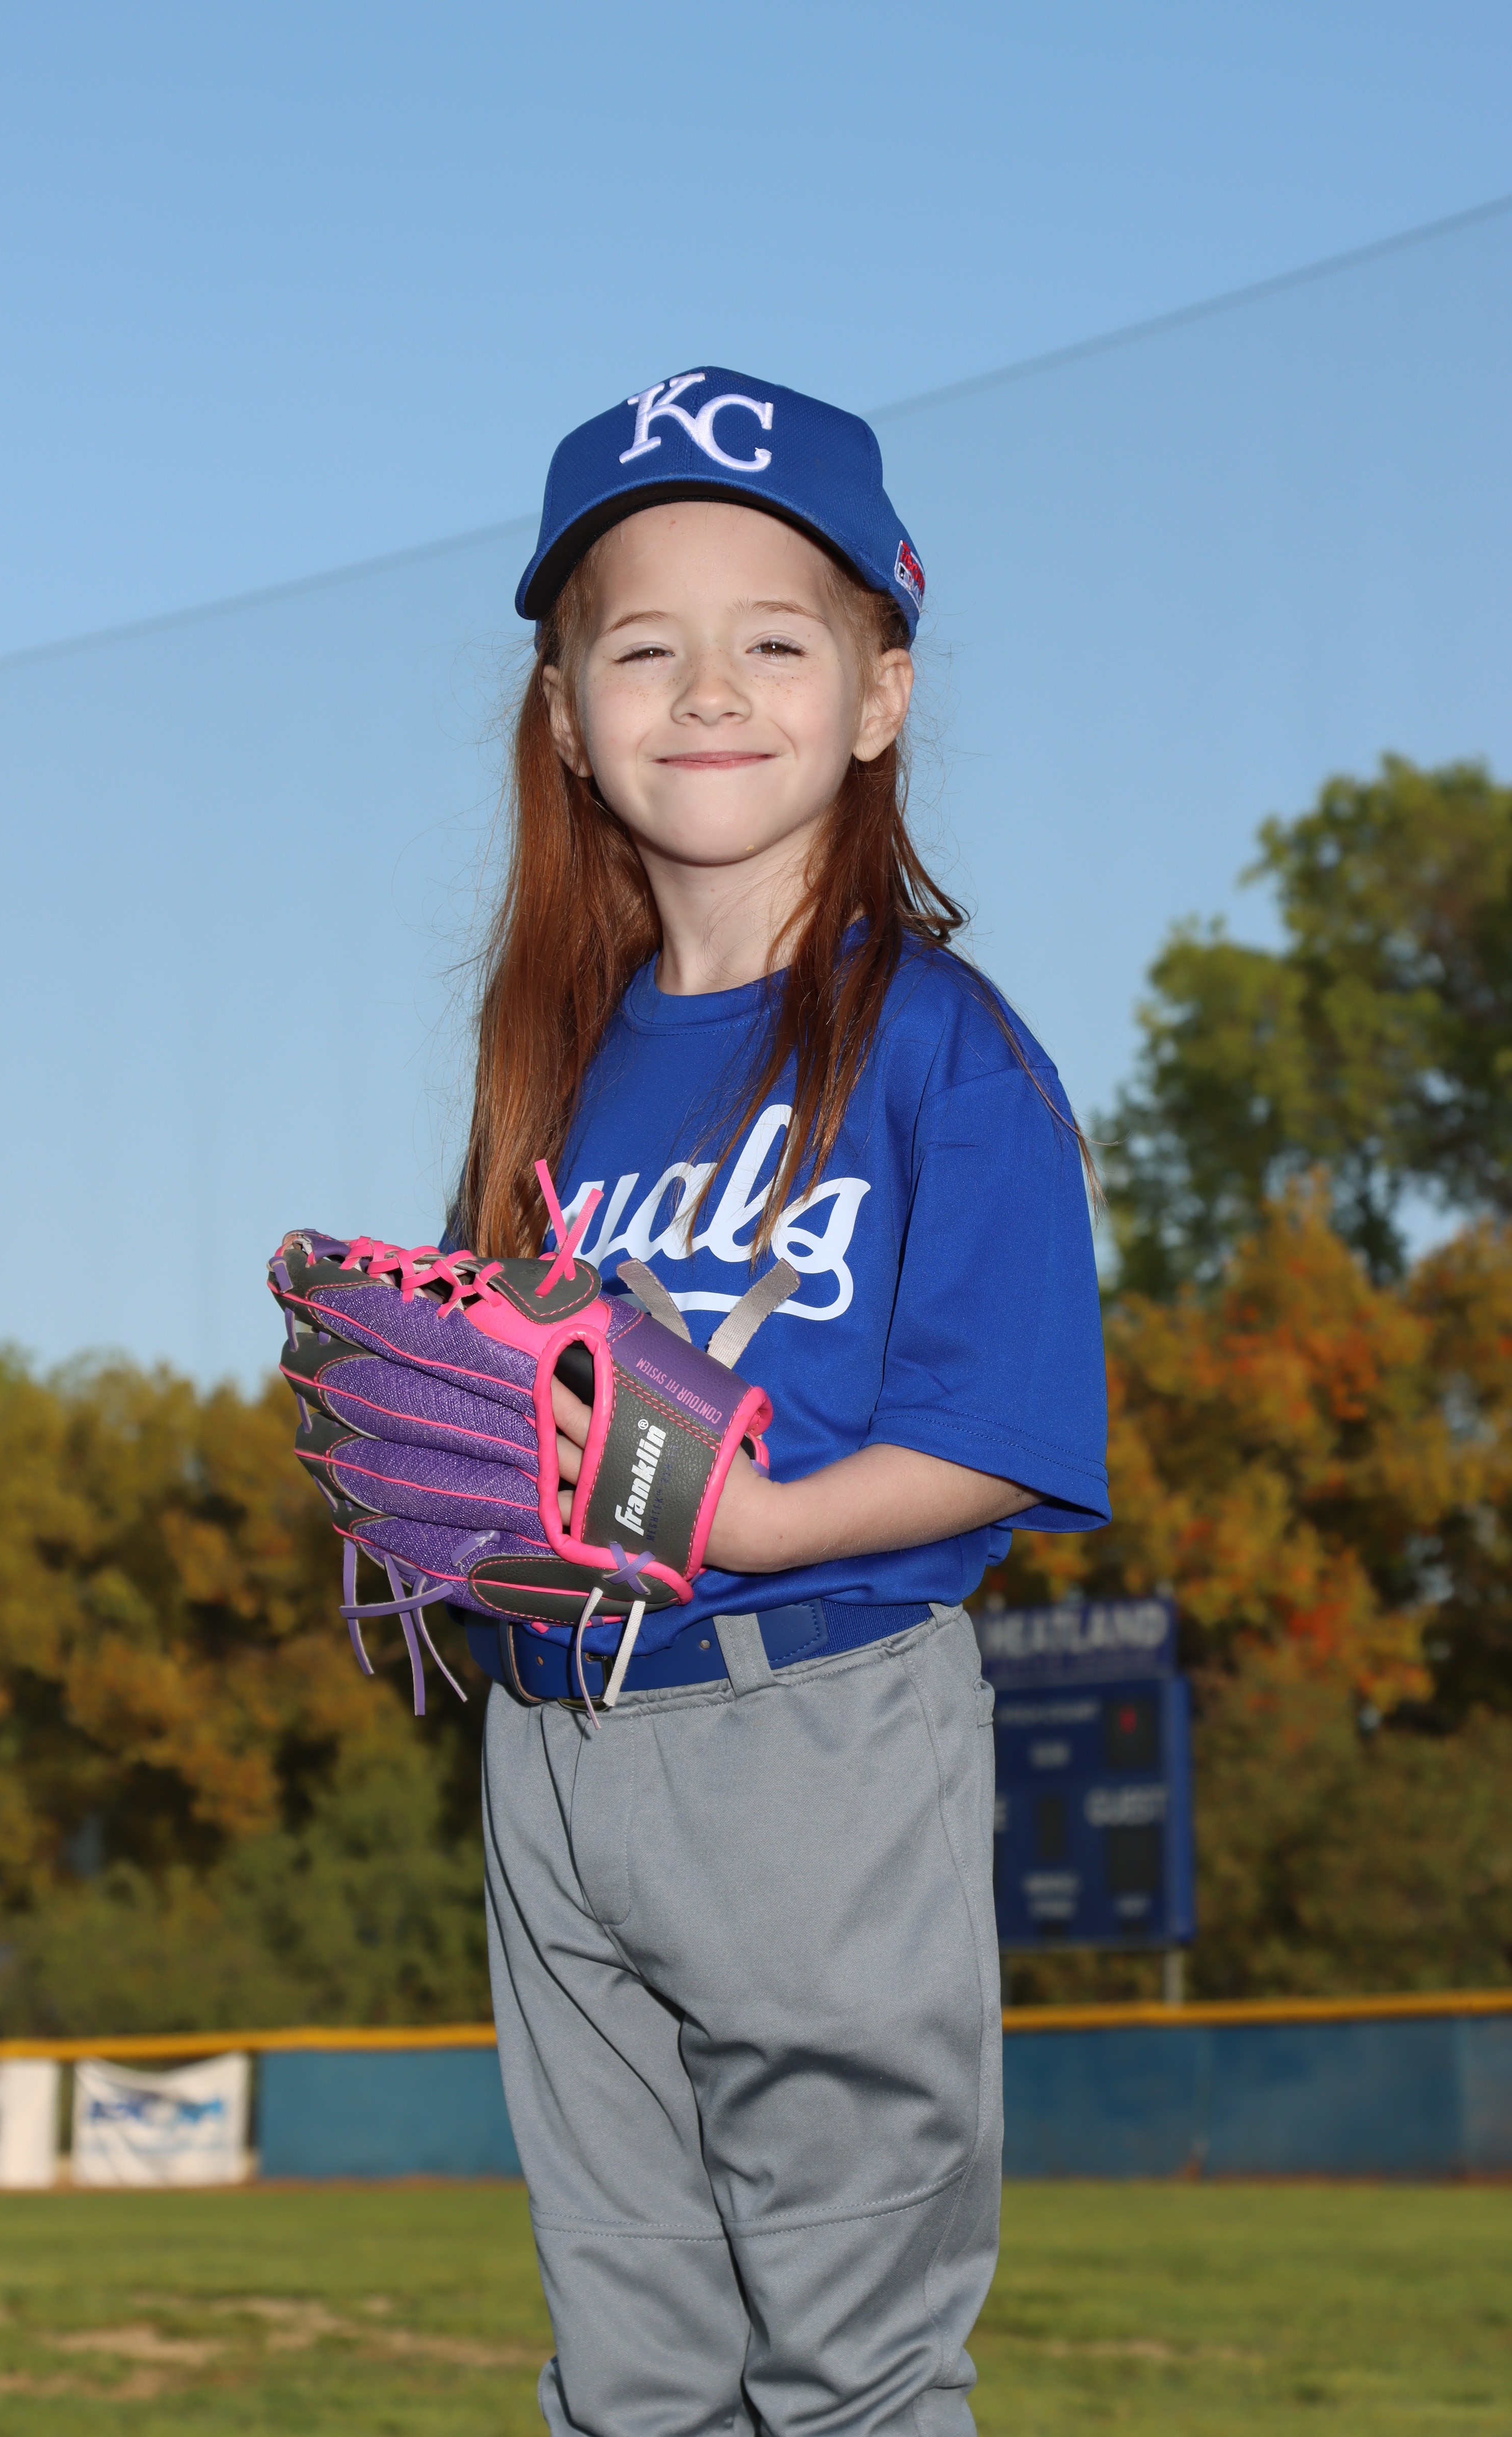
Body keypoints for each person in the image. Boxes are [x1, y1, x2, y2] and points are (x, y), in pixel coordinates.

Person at [453, 369, 1110, 2437]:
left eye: (777, 641)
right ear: (568, 719)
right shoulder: (554, 1066)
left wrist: (747, 1524)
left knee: (849, 2375)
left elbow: (996, 1430)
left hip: (808, 1712)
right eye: (643, 646)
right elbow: (520, 1412)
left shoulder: (938, 1041)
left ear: (879, 693)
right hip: (556, 1735)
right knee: (632, 2377)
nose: (710, 690)